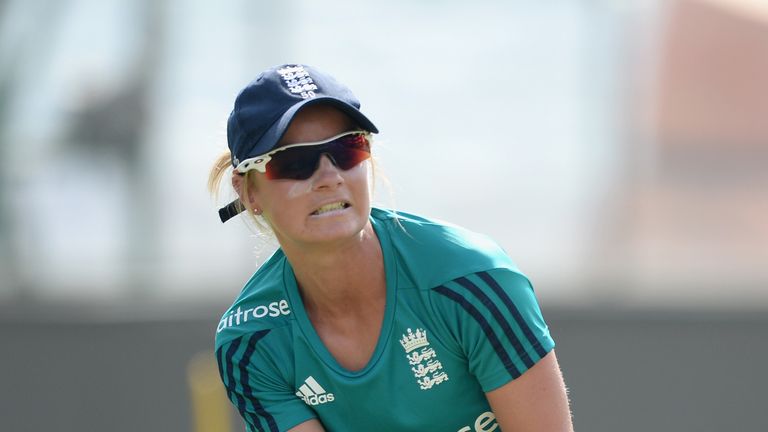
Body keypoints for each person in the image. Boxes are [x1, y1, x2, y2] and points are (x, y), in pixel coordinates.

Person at [209, 63, 573, 432]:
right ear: (248, 192)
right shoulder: (251, 341)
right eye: (294, 161)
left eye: (347, 148)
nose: (330, 177)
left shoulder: (476, 280)